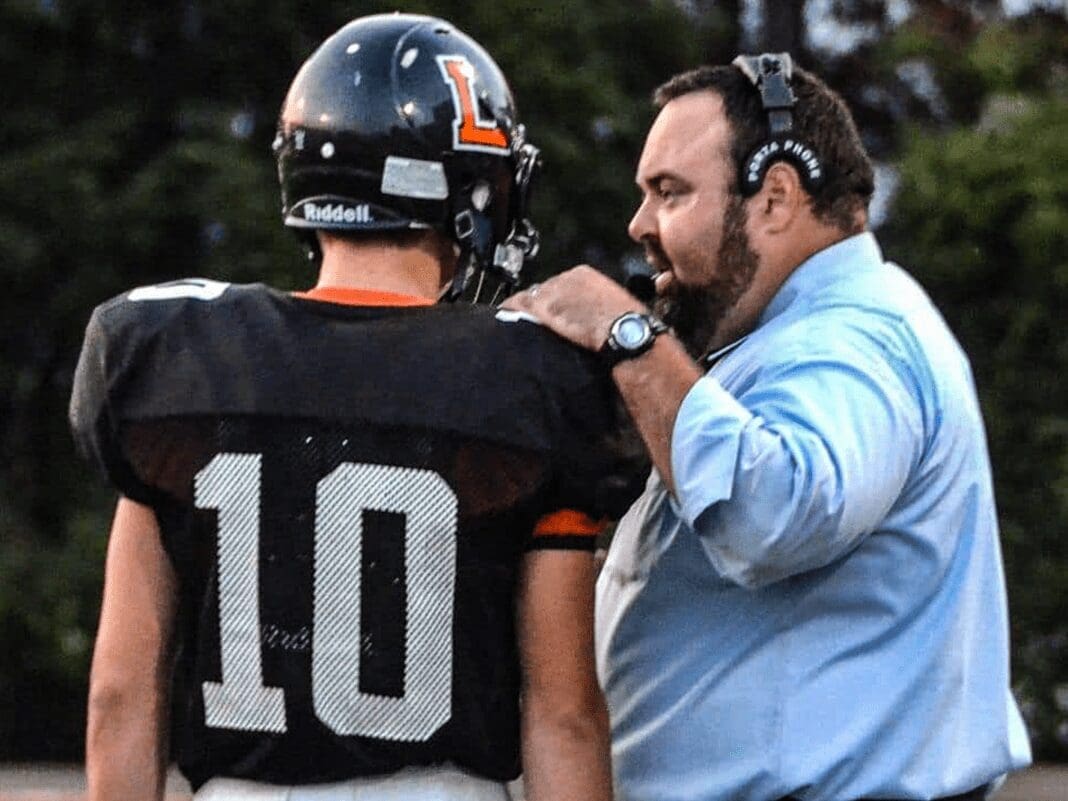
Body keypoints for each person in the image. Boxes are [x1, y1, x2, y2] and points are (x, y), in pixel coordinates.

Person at [70, 14, 631, 801]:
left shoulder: (176, 359)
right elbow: (563, 712)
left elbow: (122, 693)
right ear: (463, 183)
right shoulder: (529, 379)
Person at [503, 53, 1032, 801]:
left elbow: (775, 512)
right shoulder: (803, 335)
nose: (640, 225)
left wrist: (626, 333)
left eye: (670, 192)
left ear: (776, 197)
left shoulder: (856, 340)